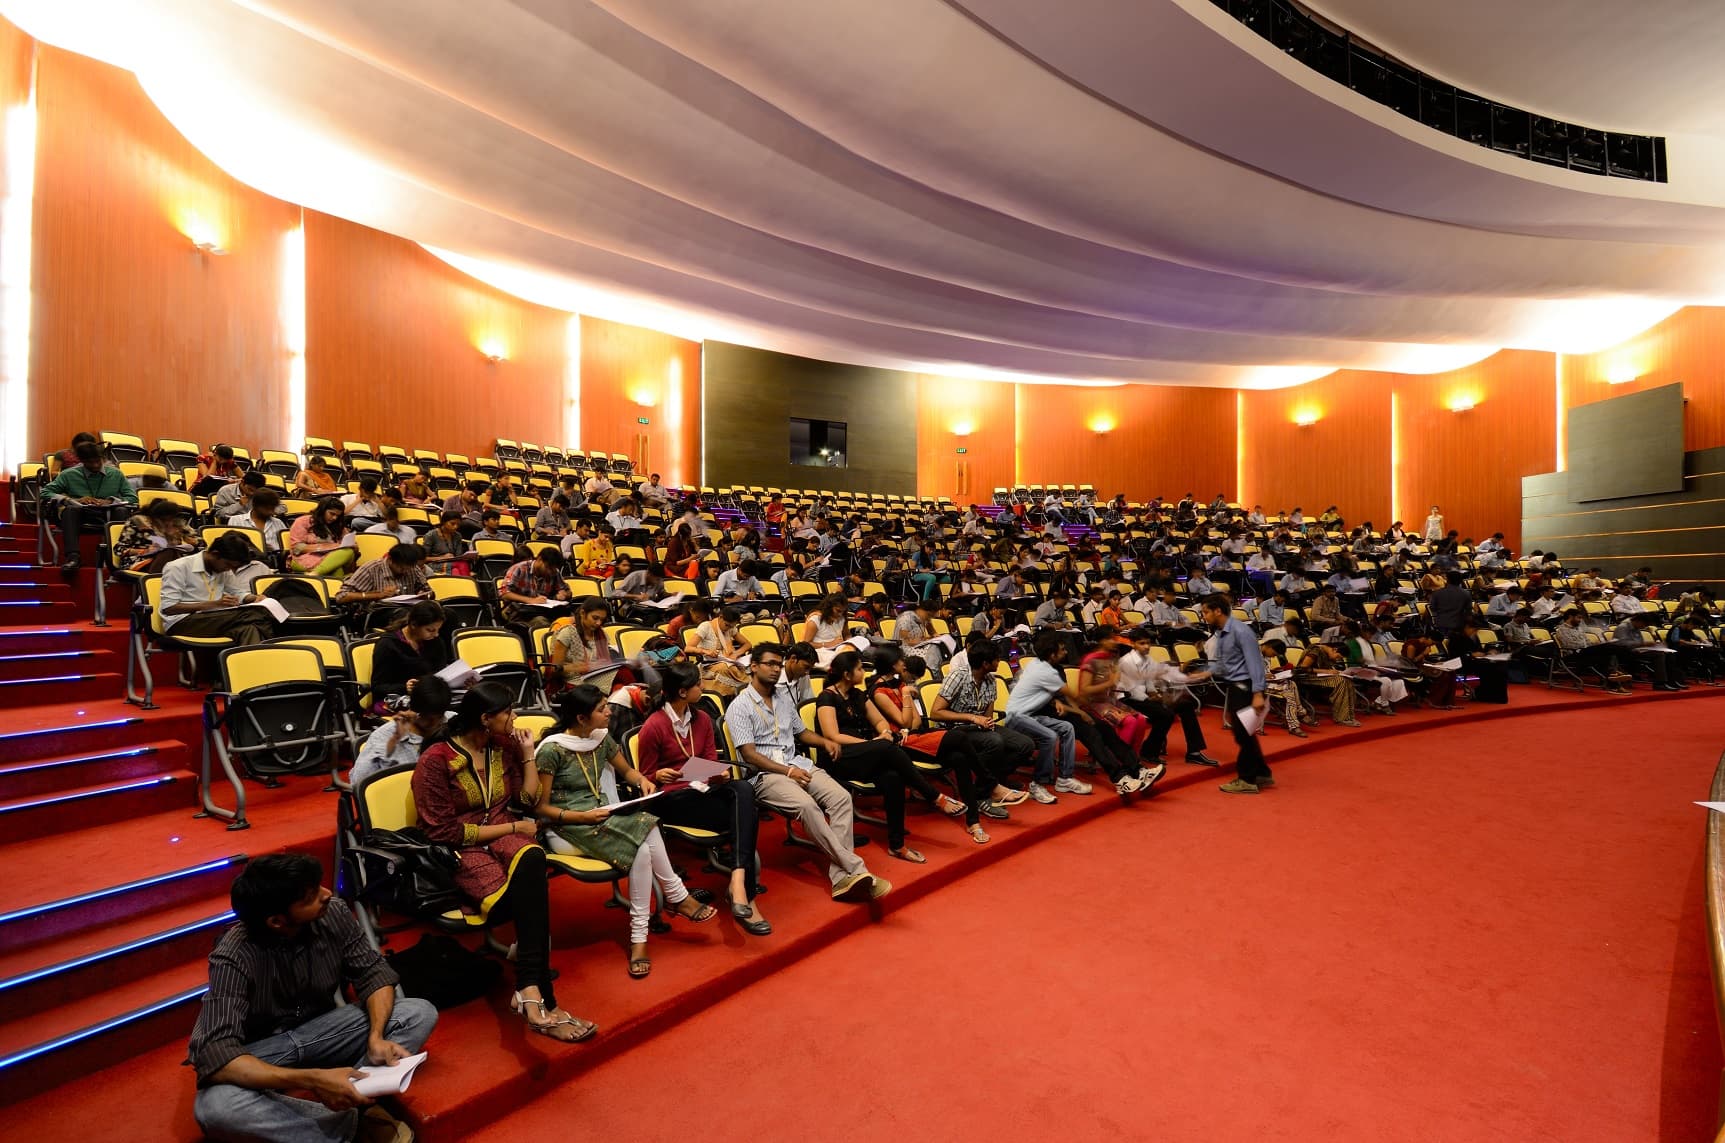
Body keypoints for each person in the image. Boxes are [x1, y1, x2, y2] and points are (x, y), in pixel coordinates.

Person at [186, 853, 436, 1143]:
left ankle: (352, 1093)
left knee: (418, 1013)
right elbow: (216, 1054)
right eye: (311, 896)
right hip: (263, 1049)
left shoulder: (334, 913)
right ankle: (349, 1123)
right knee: (215, 1109)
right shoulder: (233, 955)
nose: (326, 894)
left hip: (322, 1030)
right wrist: (313, 1079)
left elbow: (372, 973)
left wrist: (377, 1036)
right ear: (277, 921)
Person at [412, 683, 595, 1041]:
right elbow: (443, 832)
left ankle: (530, 991)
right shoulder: (435, 761)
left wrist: (527, 754)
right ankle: (541, 996)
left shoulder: (503, 746)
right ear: (484, 719)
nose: (515, 719)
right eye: (508, 713)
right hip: (462, 848)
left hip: (505, 836)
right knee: (531, 897)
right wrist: (512, 826)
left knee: (531, 856)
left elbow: (527, 799)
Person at [534, 685, 717, 977]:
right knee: (645, 833)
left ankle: (641, 937)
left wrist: (642, 781)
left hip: (604, 817)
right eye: (601, 709)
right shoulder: (552, 751)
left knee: (645, 837)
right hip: (567, 825)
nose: (610, 712)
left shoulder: (600, 739)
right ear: (581, 718)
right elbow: (541, 809)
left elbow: (627, 771)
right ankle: (672, 900)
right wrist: (581, 817)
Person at [724, 644, 888, 902]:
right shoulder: (739, 706)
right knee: (809, 807)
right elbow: (749, 755)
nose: (776, 669)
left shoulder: (783, 700)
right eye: (770, 664)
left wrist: (825, 742)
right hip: (767, 775)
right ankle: (855, 867)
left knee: (841, 797)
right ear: (753, 667)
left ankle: (841, 878)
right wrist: (788, 771)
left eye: (779, 664)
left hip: (797, 763)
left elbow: (802, 733)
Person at [635, 663, 771, 933]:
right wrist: (660, 775)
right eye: (698, 684)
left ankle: (738, 880)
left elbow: (709, 760)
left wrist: (717, 774)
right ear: (683, 692)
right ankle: (743, 891)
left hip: (702, 790)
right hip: (673, 799)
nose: (703, 687)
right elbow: (645, 778)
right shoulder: (654, 726)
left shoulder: (703, 719)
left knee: (742, 790)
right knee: (747, 811)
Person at [815, 650, 967, 862]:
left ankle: (897, 845)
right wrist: (872, 744)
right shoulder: (827, 697)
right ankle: (933, 795)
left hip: (865, 753)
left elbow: (879, 722)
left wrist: (885, 732)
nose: (864, 671)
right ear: (847, 675)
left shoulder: (858, 695)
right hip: (839, 756)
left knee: (893, 778)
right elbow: (832, 735)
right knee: (886, 748)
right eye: (859, 668)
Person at [870, 648, 1019, 843]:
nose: (904, 664)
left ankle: (973, 821)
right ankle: (991, 784)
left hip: (915, 737)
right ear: (892, 665)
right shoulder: (879, 691)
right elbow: (906, 723)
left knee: (960, 758)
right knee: (958, 736)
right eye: (900, 661)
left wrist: (905, 704)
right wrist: (906, 696)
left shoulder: (899, 685)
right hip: (898, 745)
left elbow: (915, 723)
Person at [1200, 593, 1273, 794]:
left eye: (1206, 612)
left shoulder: (1242, 632)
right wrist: (1206, 672)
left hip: (1246, 687)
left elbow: (1255, 663)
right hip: (1235, 686)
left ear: (1218, 611)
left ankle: (1247, 779)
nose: (1204, 616)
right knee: (1245, 733)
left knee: (1243, 735)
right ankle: (1262, 773)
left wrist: (1258, 693)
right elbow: (1224, 664)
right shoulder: (1222, 633)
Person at [1116, 628, 1218, 764]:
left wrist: (1189, 678)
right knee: (1165, 714)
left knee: (1186, 705)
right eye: (1142, 643)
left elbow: (1152, 680)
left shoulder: (1147, 659)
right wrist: (1155, 698)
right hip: (1128, 699)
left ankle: (1194, 752)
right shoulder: (1126, 661)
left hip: (1144, 696)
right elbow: (1132, 690)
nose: (1146, 646)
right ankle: (1148, 751)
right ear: (1133, 643)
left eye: (1148, 643)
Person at [158, 534, 280, 645]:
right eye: (228, 565)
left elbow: (238, 592)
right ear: (215, 554)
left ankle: (252, 668)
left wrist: (254, 598)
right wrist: (214, 604)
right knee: (254, 613)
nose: (228, 570)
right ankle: (275, 648)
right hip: (182, 622)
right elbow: (169, 608)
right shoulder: (178, 567)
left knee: (249, 629)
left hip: (215, 619)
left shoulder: (223, 568)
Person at [42, 439, 137, 570]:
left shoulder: (116, 474)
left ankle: (117, 558)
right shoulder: (69, 474)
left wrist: (111, 500)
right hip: (81, 513)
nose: (96, 465)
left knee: (121, 511)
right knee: (70, 510)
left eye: (98, 461)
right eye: (90, 462)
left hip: (107, 513)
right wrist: (71, 499)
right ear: (81, 461)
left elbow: (132, 498)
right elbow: (46, 492)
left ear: (102, 458)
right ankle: (73, 558)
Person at [351, 674, 451, 787]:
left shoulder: (451, 722)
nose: (434, 724)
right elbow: (358, 783)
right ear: (414, 710)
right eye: (428, 719)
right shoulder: (383, 738)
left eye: (439, 718)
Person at [369, 600, 451, 708]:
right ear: (413, 624)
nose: (436, 634)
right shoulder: (388, 644)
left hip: (431, 697)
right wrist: (404, 687)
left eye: (438, 629)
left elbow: (440, 671)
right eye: (430, 630)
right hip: (398, 699)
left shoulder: (435, 642)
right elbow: (377, 687)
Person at [335, 543, 430, 628]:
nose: (405, 571)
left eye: (408, 569)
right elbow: (341, 596)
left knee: (438, 613)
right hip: (374, 613)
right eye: (401, 568)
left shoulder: (413, 568)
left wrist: (426, 595)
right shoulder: (371, 569)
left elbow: (428, 591)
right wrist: (378, 595)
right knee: (405, 615)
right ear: (390, 560)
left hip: (409, 608)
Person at [547, 598, 623, 687]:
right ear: (583, 613)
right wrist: (576, 667)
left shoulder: (602, 634)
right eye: (595, 618)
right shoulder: (568, 633)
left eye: (602, 620)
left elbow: (606, 662)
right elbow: (555, 669)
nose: (598, 623)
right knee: (622, 676)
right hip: (574, 681)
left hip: (596, 676)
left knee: (623, 676)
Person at [115, 497, 202, 575]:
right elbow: (119, 549)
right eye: (164, 520)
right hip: (140, 560)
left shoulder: (178, 523)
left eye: (172, 518)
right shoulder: (138, 522)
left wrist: (193, 542)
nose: (169, 522)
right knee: (169, 553)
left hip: (175, 558)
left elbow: (201, 543)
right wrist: (144, 551)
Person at [500, 546, 573, 627]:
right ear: (539, 559)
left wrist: (565, 594)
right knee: (541, 622)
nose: (550, 572)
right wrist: (530, 600)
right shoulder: (519, 568)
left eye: (553, 570)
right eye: (548, 568)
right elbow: (504, 594)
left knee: (571, 620)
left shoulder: (554, 572)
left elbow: (567, 591)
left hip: (545, 611)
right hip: (519, 612)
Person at [692, 605, 753, 696]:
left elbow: (747, 644)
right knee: (726, 668)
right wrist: (706, 651)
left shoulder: (731, 628)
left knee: (746, 666)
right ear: (720, 617)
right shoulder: (705, 626)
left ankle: (745, 691)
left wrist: (736, 653)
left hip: (727, 661)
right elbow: (688, 648)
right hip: (708, 665)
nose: (728, 628)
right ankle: (745, 690)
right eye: (727, 625)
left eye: (731, 626)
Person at [287, 497, 357, 577]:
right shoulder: (303, 521)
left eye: (338, 515)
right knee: (336, 569)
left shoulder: (338, 525)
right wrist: (326, 547)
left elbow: (346, 544)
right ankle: (318, 574)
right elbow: (297, 548)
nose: (335, 518)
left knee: (348, 551)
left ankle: (315, 574)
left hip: (332, 558)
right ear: (322, 510)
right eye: (332, 514)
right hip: (305, 557)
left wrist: (353, 546)